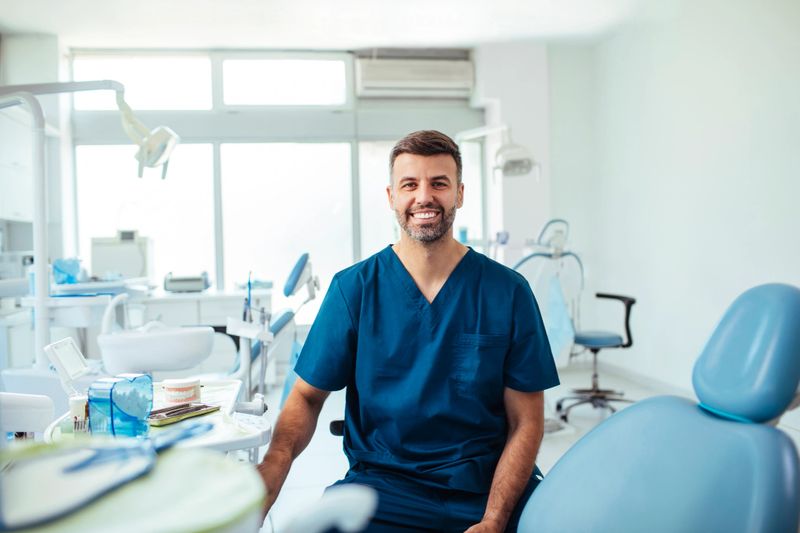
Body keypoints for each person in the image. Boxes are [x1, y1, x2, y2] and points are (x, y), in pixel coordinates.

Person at [256, 130, 559, 532]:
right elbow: (307, 398)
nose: (424, 197)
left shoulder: (507, 291)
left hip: (487, 488)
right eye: (410, 185)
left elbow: (526, 421)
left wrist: (494, 519)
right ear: (391, 197)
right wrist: (270, 473)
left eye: (439, 183)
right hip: (383, 490)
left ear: (460, 193)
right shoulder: (355, 290)